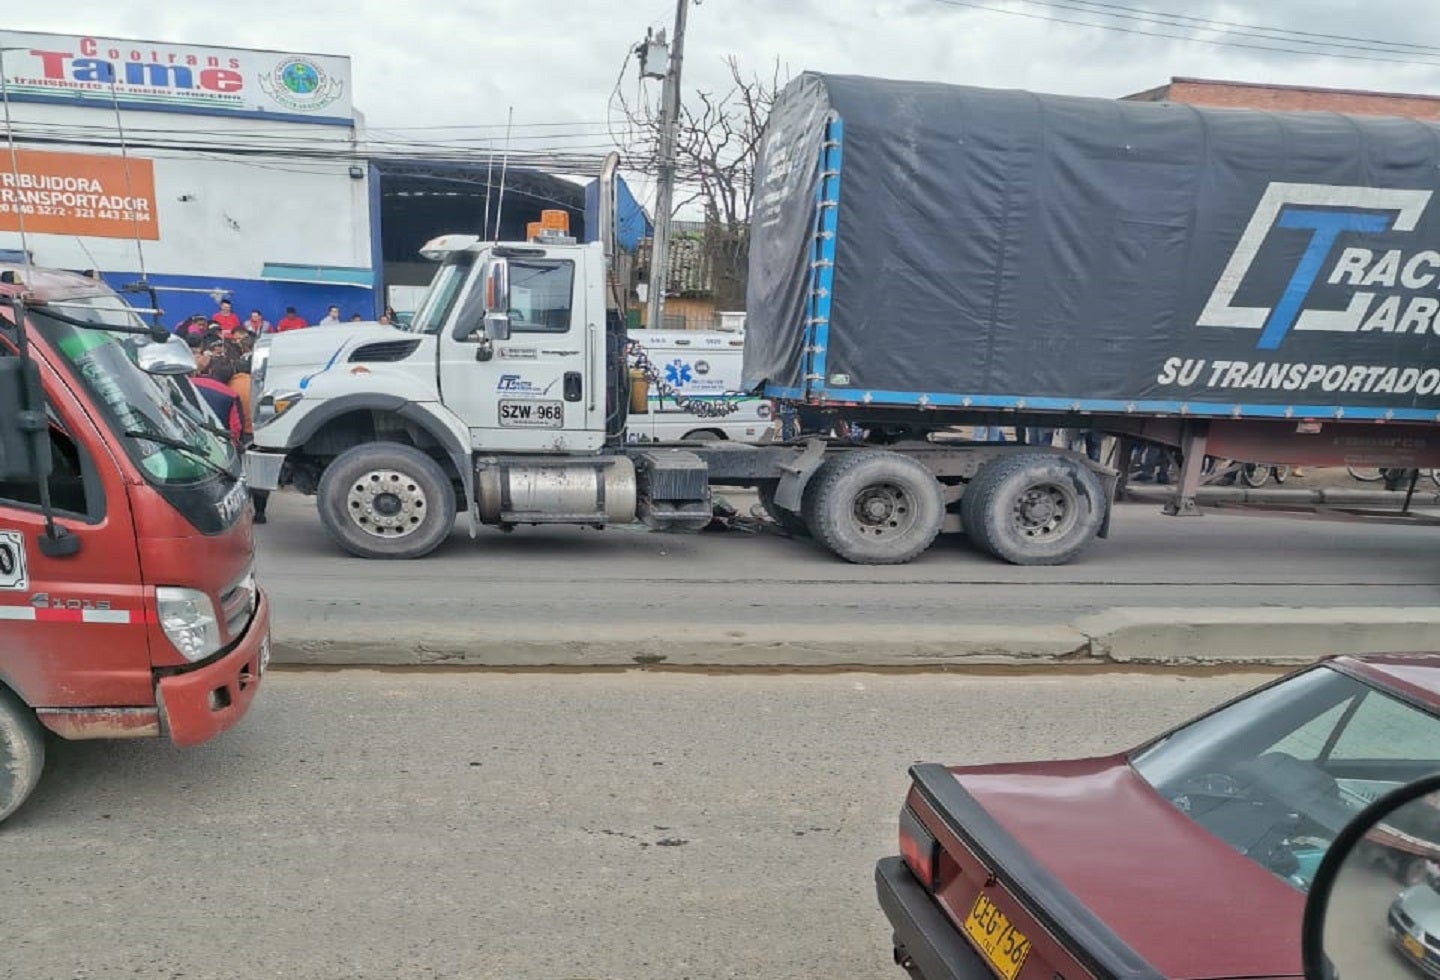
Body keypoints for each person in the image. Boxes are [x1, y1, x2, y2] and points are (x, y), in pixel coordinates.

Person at [191, 356, 243, 444]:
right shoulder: (231, 394)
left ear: (210, 371)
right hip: (217, 444)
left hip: (188, 438)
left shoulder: (189, 382)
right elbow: (235, 429)